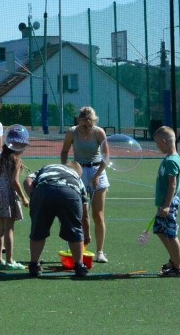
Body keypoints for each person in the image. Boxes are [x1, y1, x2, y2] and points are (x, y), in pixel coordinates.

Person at [60, 106, 109, 263]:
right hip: (78, 170)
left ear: (94, 120)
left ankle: (100, 251)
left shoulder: (99, 132)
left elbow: (106, 156)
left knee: (98, 214)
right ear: (79, 120)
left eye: (90, 123)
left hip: (96, 170)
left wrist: (97, 175)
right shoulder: (72, 132)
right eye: (84, 123)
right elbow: (64, 152)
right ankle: (80, 250)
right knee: (80, 213)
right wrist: (66, 168)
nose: (87, 126)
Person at [25, 161, 91, 278]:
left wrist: (34, 197)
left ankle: (34, 265)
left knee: (38, 230)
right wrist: (86, 234)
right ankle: (79, 266)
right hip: (69, 192)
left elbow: (27, 181)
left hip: (44, 189)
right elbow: (84, 214)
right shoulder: (77, 179)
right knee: (74, 230)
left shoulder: (48, 167)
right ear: (78, 174)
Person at [0, 126, 30, 270]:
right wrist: (24, 198)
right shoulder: (16, 159)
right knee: (9, 230)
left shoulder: (0, 156)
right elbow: (14, 182)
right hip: (8, 195)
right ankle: (9, 260)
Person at [152, 126, 180, 277]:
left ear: (164, 142)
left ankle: (178, 267)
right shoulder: (168, 159)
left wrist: (166, 206)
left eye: (158, 144)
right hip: (164, 203)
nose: (157, 147)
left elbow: (172, 185)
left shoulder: (172, 161)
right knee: (159, 229)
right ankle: (173, 259)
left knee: (171, 234)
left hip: (169, 204)